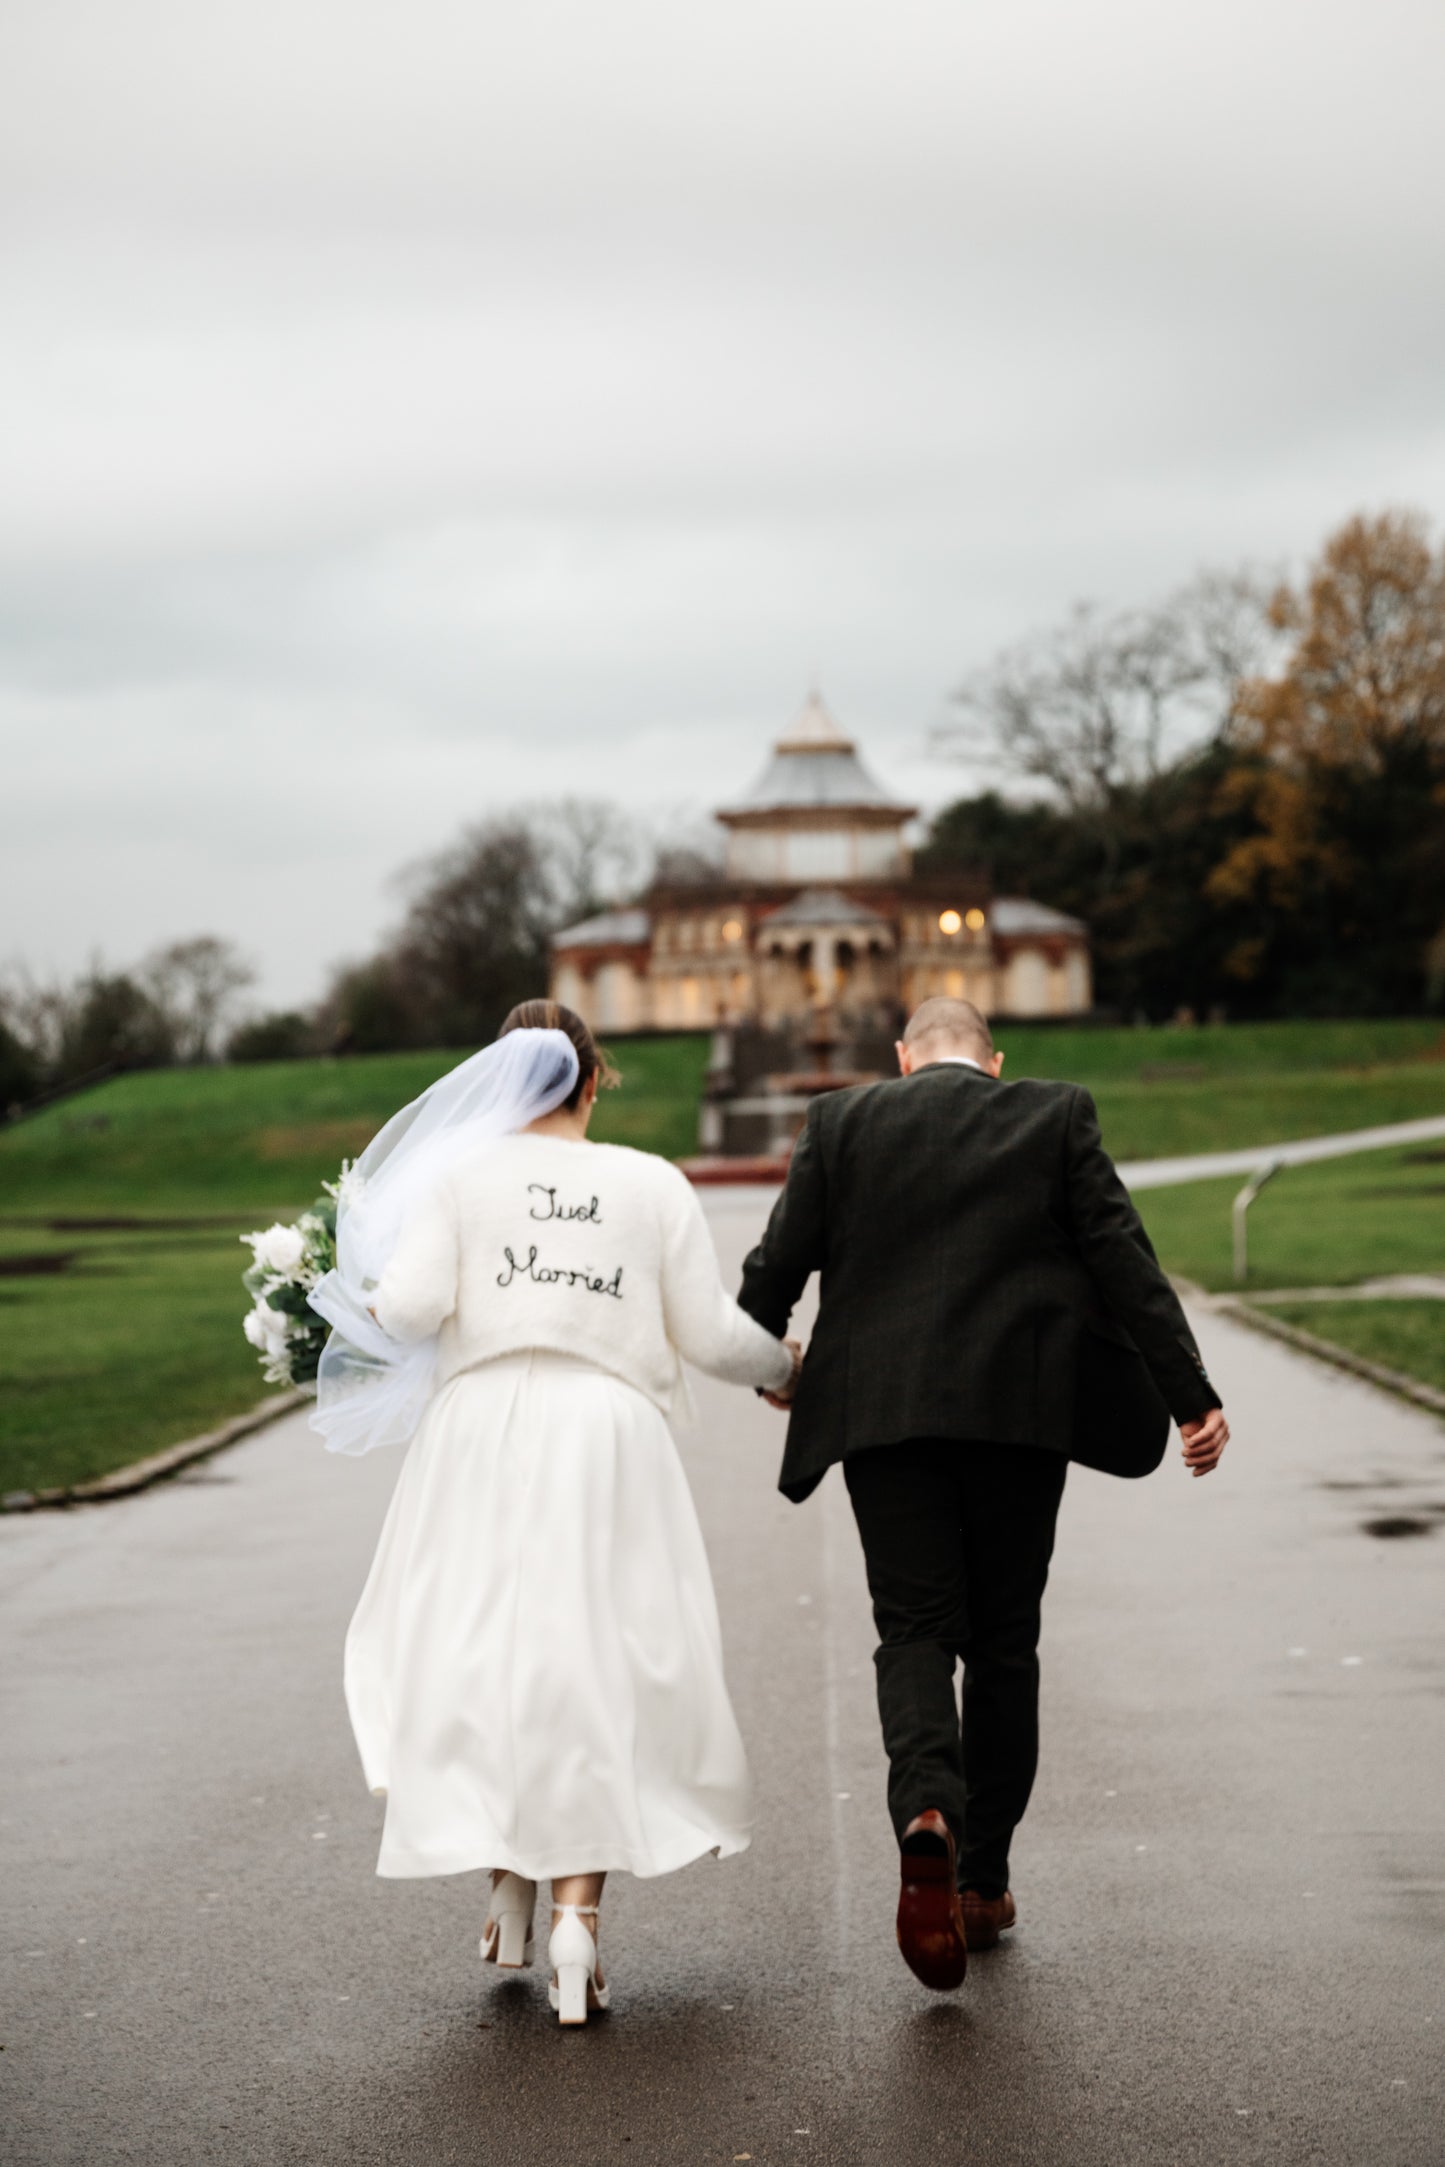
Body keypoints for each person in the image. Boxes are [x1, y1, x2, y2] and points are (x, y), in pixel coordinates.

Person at [315, 1000, 799, 2026]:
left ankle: (505, 1881)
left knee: (482, 1645)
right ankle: (575, 1917)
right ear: (591, 1082)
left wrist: (329, 1286)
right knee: (598, 1658)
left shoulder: (453, 1178)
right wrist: (785, 1368)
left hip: (479, 1429)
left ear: (498, 1082)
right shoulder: (648, 1183)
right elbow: (712, 1335)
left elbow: (401, 1313)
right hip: (606, 1434)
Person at [737, 996, 1228, 1991]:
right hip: (1019, 1416)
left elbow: (773, 1268)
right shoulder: (1054, 1115)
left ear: (902, 1056)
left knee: (914, 1627)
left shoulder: (839, 1120)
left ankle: (926, 1813)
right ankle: (982, 1882)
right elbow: (1126, 1265)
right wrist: (1190, 1399)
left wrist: (766, 1365)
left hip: (882, 1419)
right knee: (1003, 1641)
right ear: (991, 1061)